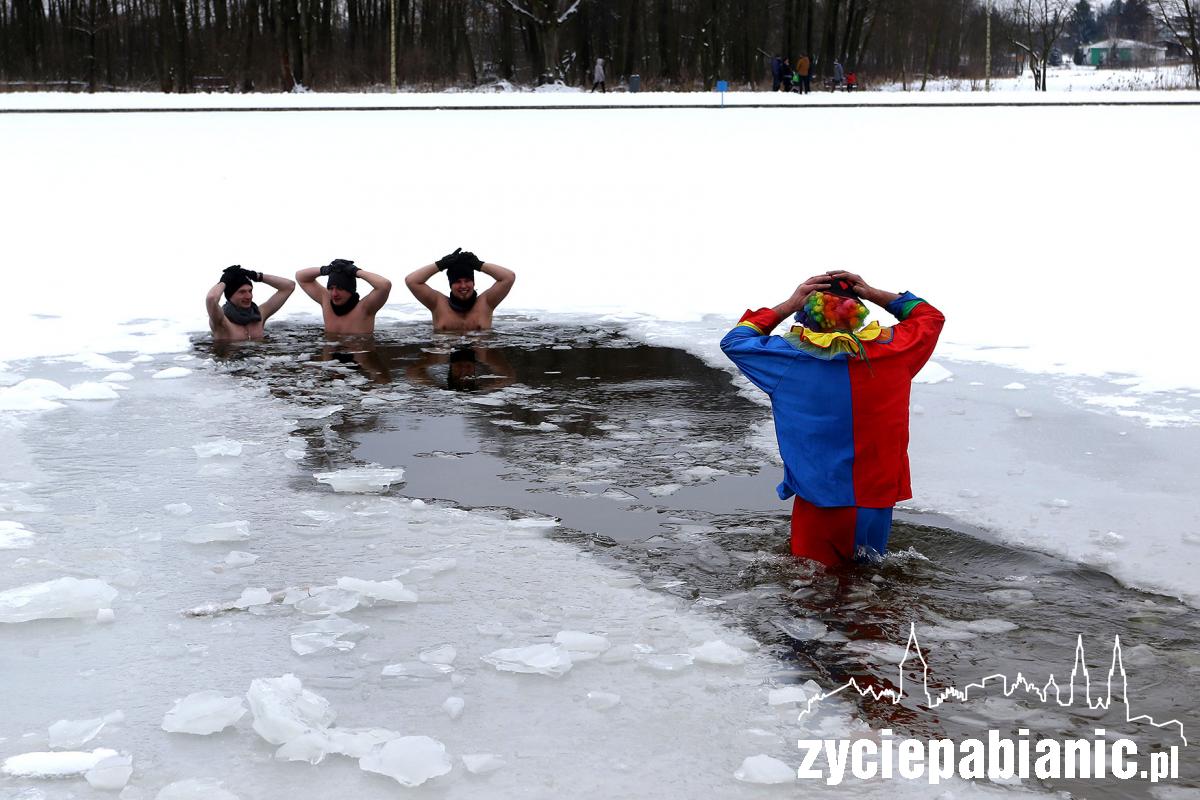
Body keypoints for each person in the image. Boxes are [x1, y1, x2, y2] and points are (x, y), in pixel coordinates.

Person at [720, 270, 944, 567]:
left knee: (815, 593)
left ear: (805, 316)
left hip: (822, 499)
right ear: (857, 314)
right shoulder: (895, 351)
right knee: (869, 582)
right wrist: (873, 292)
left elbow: (735, 341)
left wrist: (787, 304)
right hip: (878, 498)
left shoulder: (787, 359)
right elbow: (929, 317)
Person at [404, 248, 516, 332]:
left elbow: (509, 277)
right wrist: (440, 265)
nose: (463, 286)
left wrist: (479, 265)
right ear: (450, 285)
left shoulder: (486, 302)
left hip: (478, 358)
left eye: (467, 280)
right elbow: (411, 280)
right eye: (457, 281)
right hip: (445, 359)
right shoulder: (437, 303)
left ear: (473, 282)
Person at [295, 258, 392, 336]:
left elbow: (384, 285)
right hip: (330, 360)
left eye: (340, 288)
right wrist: (326, 270)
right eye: (331, 288)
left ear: (350, 290)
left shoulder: (365, 308)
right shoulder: (326, 301)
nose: (334, 294)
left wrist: (356, 272)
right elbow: (300, 277)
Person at [205, 265, 295, 342]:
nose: (249, 296)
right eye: (242, 292)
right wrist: (224, 281)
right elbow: (211, 298)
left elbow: (289, 286)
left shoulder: (259, 314)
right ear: (230, 295)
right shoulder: (221, 321)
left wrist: (257, 276)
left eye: (250, 291)